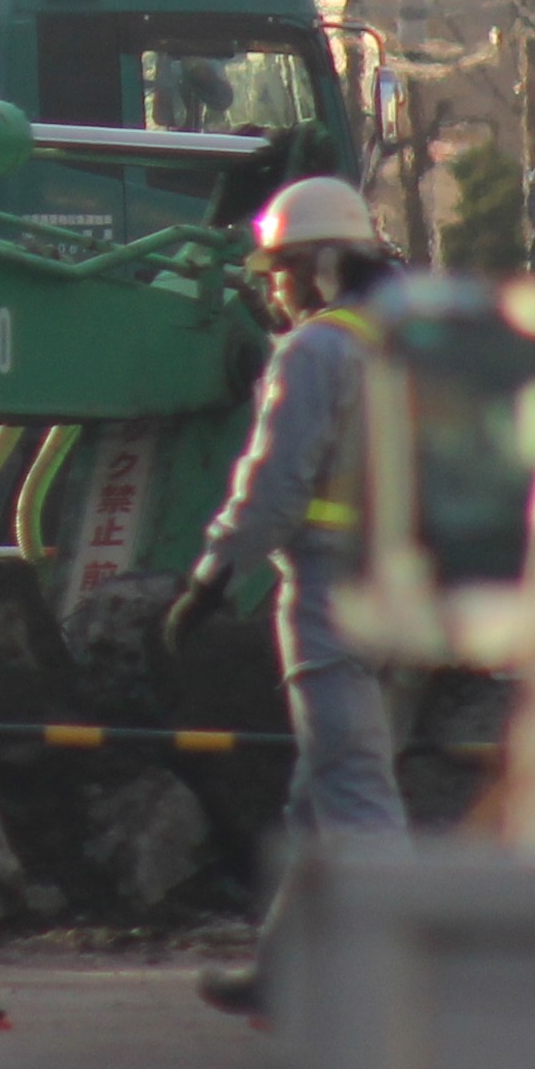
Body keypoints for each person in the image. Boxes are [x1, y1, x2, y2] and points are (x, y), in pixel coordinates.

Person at [161, 171, 405, 1013]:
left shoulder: (317, 351)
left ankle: (417, 991)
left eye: (278, 272)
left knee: (355, 793)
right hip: (408, 595)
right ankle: (285, 974)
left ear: (310, 266)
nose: (274, 290)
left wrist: (212, 576)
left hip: (331, 593)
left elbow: (274, 488)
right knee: (320, 793)